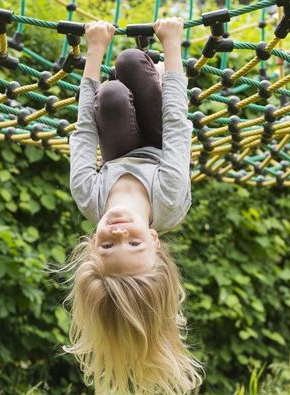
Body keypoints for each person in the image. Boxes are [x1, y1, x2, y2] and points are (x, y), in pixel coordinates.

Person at [57, 17, 202, 395]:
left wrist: (93, 52)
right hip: (160, 141)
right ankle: (147, 68)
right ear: (155, 239)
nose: (119, 232)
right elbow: (176, 125)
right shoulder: (169, 199)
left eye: (107, 246)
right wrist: (173, 46)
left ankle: (128, 75)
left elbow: (84, 131)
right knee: (130, 63)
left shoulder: (89, 195)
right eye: (133, 245)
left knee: (110, 98)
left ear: (92, 244)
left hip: (117, 148)